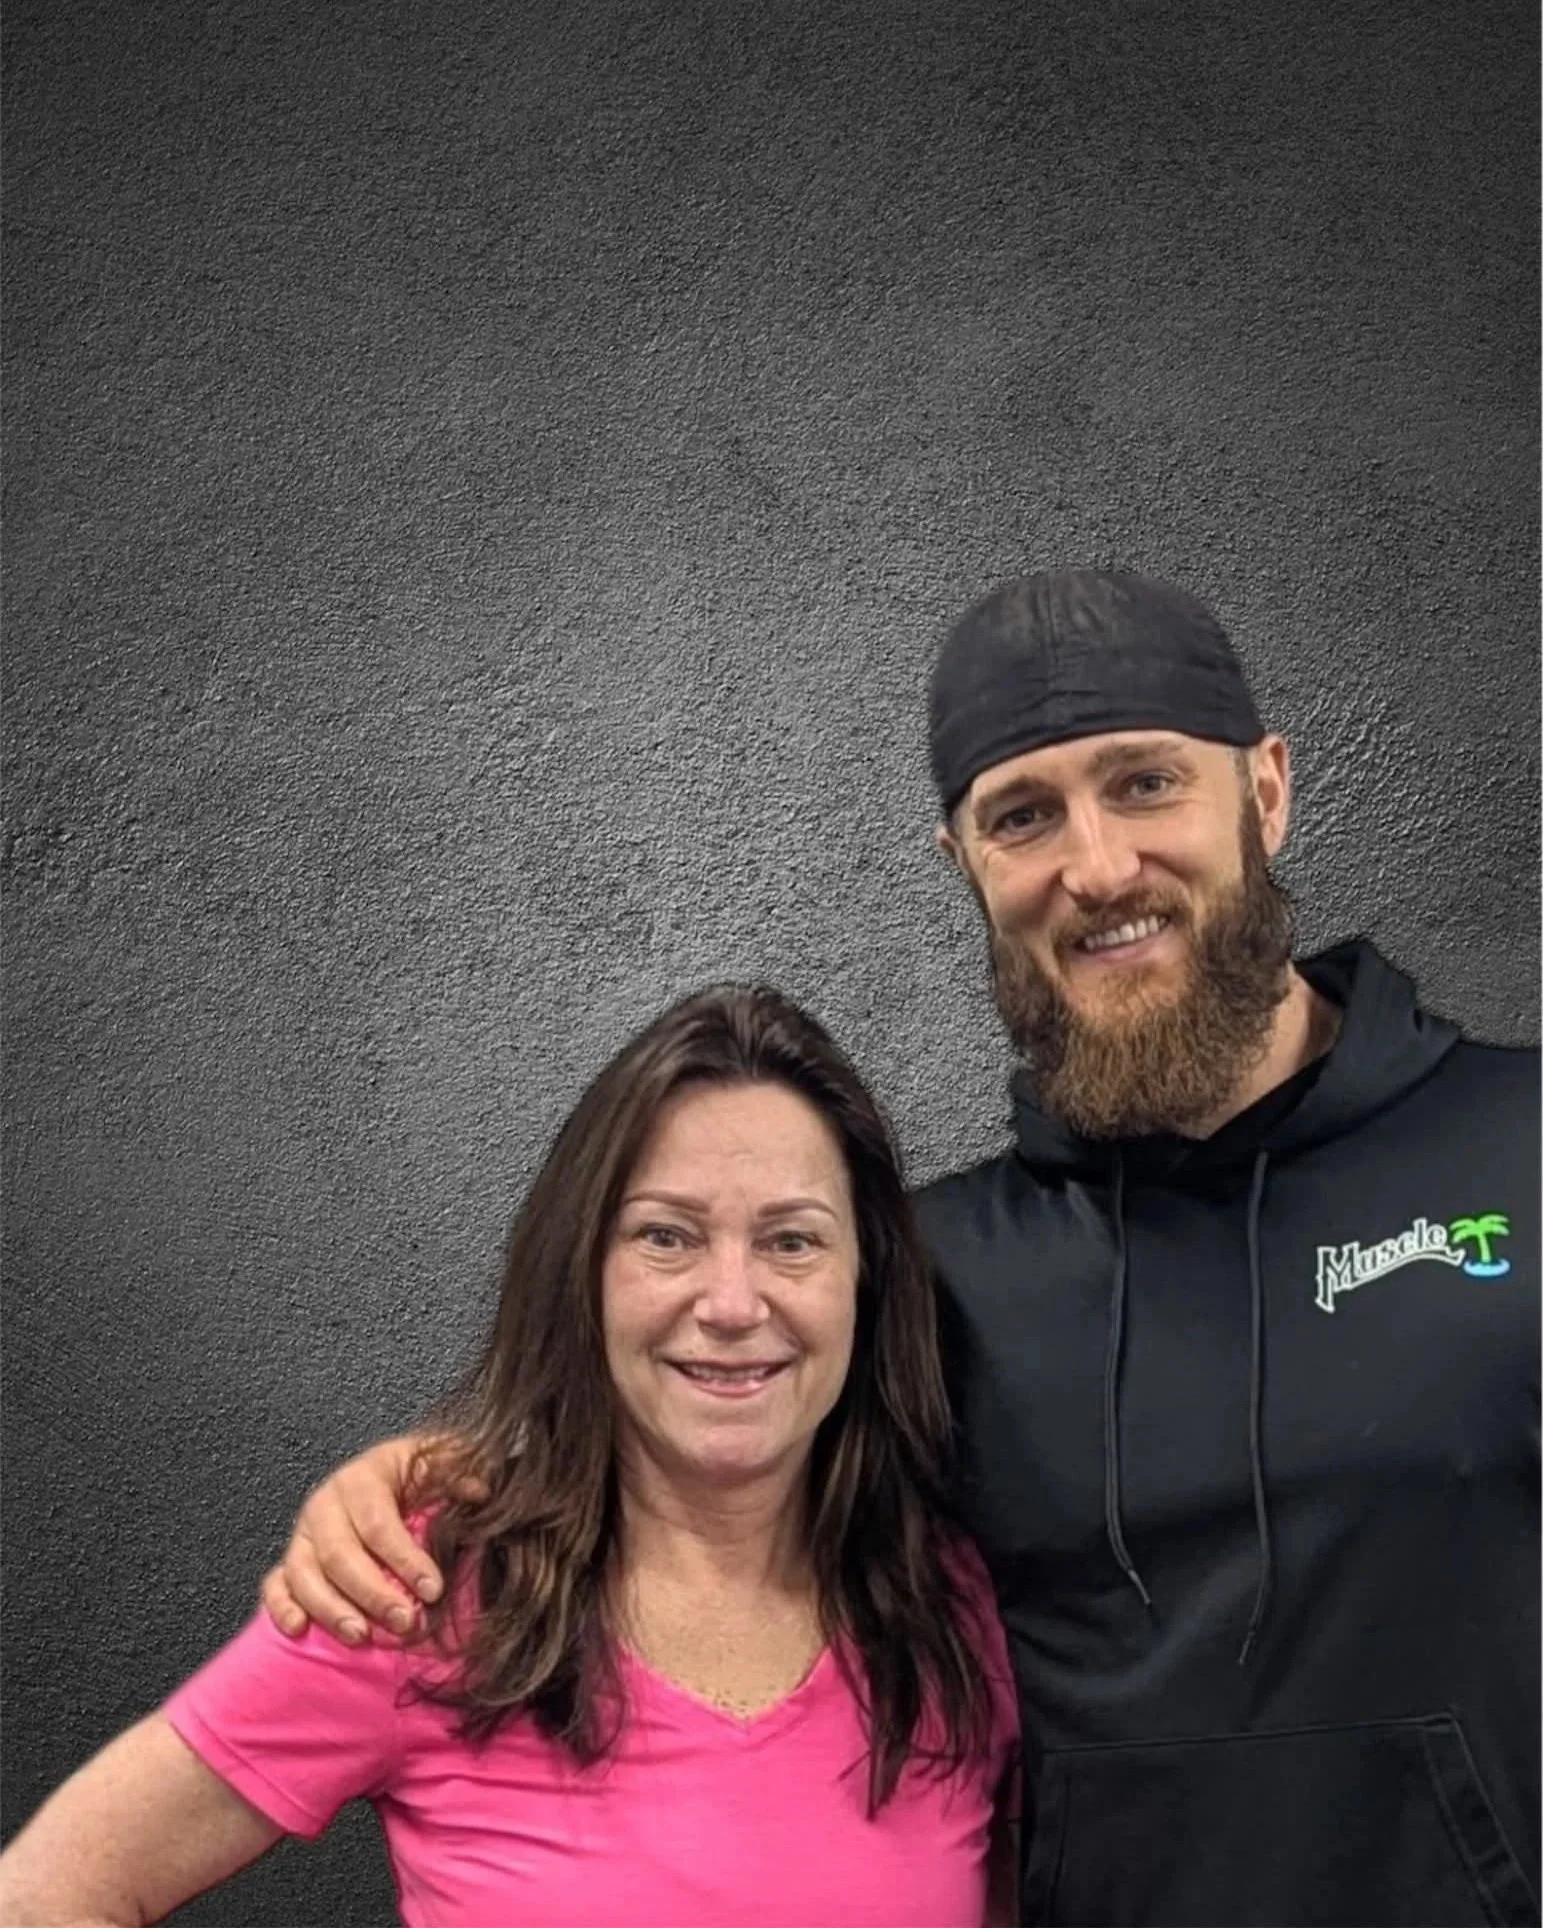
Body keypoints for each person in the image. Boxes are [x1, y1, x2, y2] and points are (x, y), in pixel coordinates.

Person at [251, 569, 1539, 1928]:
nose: (1094, 866)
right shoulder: (921, 1274)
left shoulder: (1515, 1147)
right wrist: (435, 1476)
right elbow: (673, 1469)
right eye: (1022, 815)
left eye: (1144, 783)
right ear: (964, 866)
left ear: (1263, 793)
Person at [0, 988, 1020, 1928]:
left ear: (865, 1281)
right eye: (666, 1236)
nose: (731, 1301)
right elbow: (47, 1893)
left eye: (791, 1241)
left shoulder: (951, 1611)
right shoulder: (417, 1590)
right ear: (582, 1270)